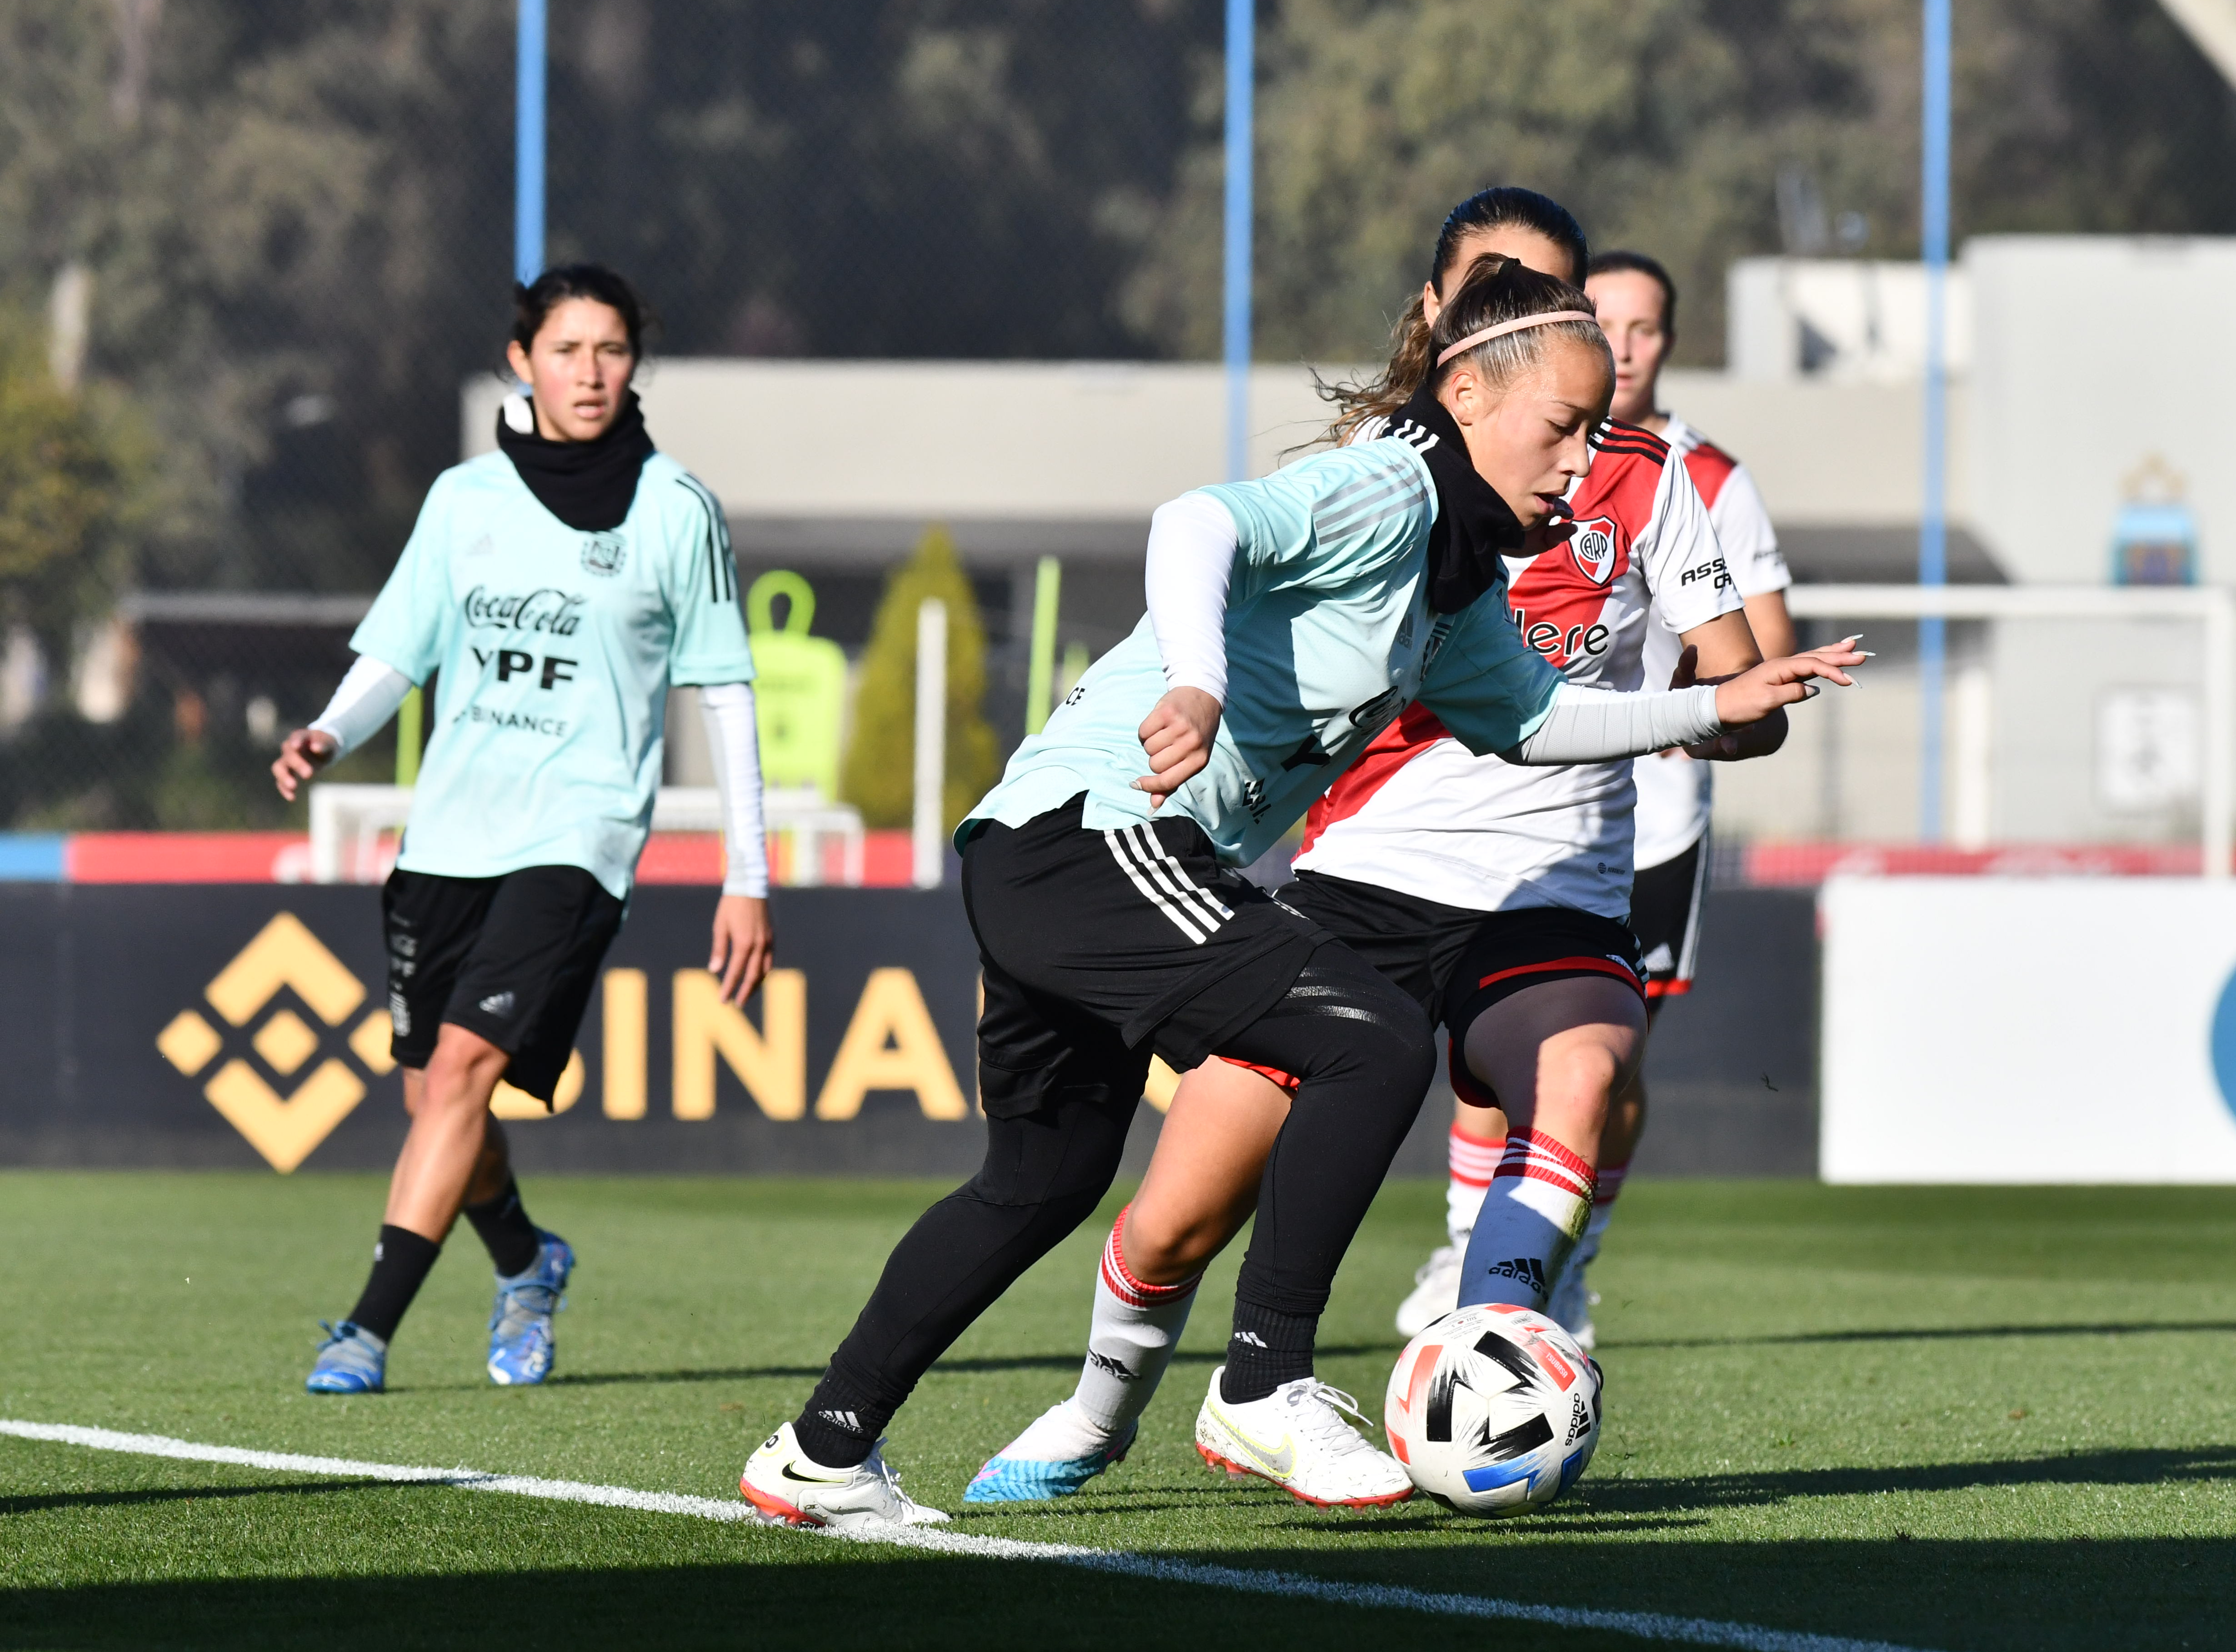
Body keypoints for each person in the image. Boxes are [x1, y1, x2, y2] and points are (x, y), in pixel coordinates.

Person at [740, 255, 1860, 1529]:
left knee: (1041, 1183)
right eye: (1559, 426)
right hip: (1096, 837)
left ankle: (822, 1445)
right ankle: (1264, 1381)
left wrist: (1719, 704)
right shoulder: (1390, 485)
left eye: (1596, 433)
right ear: (1468, 395)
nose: (1578, 459)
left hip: (1058, 855)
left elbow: (1539, 720)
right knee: (1372, 1040)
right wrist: (1199, 680)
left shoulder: (1456, 581)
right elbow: (1197, 524)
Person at [274, 264, 772, 1396]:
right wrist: (328, 733)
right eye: (567, 350)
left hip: (581, 832)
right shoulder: (463, 501)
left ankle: (366, 1327)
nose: (590, 373)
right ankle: (526, 1259)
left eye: (611, 351)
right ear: (522, 361)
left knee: (461, 1068)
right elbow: (400, 648)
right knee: (433, 1095)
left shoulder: (676, 508)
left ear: (634, 364)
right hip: (451, 830)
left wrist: (749, 873)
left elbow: (726, 692)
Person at [1394, 248, 1801, 1348]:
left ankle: (1558, 1264)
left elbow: (1760, 658)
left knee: (1600, 1065)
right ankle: (1470, 1248)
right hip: (1455, 823)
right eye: (1605, 322)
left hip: (1640, 822)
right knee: (1484, 1056)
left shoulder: (1701, 475)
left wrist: (1707, 707)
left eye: (1647, 327)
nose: (1626, 345)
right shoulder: (1430, 464)